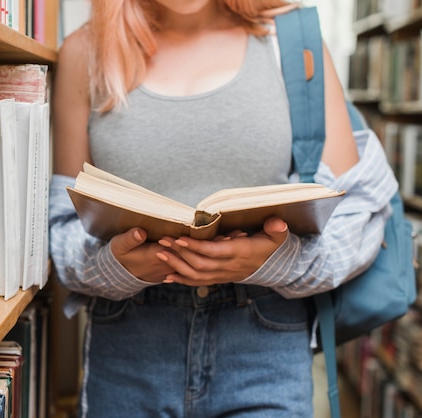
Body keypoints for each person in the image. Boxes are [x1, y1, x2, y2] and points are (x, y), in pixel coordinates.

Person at [48, 0, 397, 416]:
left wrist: (274, 262)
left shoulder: (293, 42)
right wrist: (118, 267)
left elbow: (357, 219)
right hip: (128, 346)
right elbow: (61, 232)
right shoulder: (83, 52)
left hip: (265, 342)